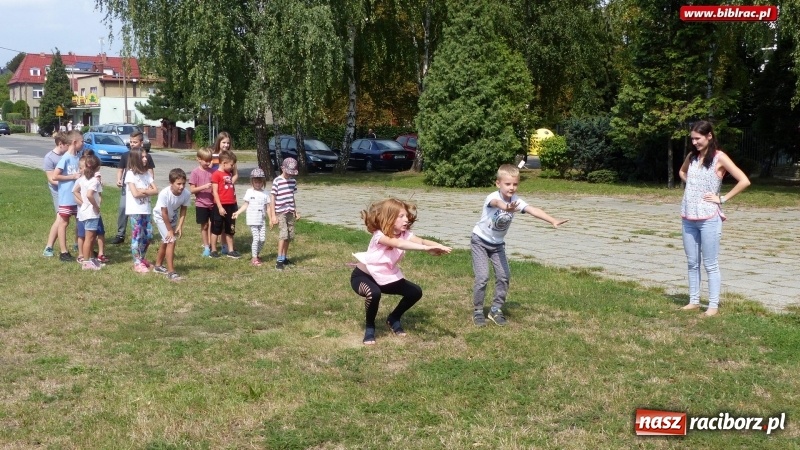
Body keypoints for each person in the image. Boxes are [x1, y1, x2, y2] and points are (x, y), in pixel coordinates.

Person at [471, 164, 568, 327]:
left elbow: (533, 210)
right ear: (498, 183)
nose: (512, 187)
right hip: (479, 241)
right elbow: (496, 203)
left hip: (497, 245)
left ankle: (495, 309)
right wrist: (506, 207)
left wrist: (553, 220)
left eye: (515, 184)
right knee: (482, 277)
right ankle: (478, 311)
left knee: (504, 276)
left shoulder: (516, 201)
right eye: (508, 184)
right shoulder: (492, 197)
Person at [350, 198, 452, 345]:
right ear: (389, 218)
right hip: (364, 276)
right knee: (374, 293)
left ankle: (393, 318)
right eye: (401, 216)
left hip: (385, 277)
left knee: (415, 292)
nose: (406, 220)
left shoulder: (405, 234)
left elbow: (422, 241)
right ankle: (370, 327)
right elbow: (398, 244)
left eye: (406, 216)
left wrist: (438, 245)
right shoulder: (380, 235)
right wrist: (425, 249)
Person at [679, 120, 750, 317]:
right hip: (688, 216)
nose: (694, 142)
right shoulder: (692, 157)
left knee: (710, 263)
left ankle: (712, 306)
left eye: (698, 138)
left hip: (709, 217)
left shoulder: (720, 157)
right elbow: (682, 172)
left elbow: (744, 180)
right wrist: (693, 184)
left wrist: (723, 198)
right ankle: (693, 301)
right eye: (692, 139)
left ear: (709, 136)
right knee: (692, 262)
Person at [112, 131, 154, 245]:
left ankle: (146, 233)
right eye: (130, 141)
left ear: (141, 142)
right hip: (128, 188)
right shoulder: (126, 155)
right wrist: (119, 179)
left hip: (141, 188)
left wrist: (150, 185)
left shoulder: (146, 156)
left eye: (134, 142)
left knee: (143, 209)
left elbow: (150, 171)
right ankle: (120, 234)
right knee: (122, 209)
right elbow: (120, 169)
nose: (132, 144)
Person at [152, 168, 191, 281]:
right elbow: (163, 213)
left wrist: (180, 225)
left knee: (166, 241)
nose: (182, 187)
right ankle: (171, 272)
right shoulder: (164, 193)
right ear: (171, 183)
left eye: (183, 184)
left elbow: (183, 210)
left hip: (172, 217)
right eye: (178, 184)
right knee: (171, 241)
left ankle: (158, 266)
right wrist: (169, 229)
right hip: (160, 217)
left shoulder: (186, 194)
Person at [125, 146, 159, 273]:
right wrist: (147, 191)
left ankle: (142, 258)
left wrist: (144, 190)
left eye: (146, 156)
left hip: (146, 209)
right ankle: (137, 262)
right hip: (135, 211)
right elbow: (135, 194)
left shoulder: (147, 174)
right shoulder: (130, 174)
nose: (145, 159)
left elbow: (156, 190)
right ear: (136, 159)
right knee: (137, 236)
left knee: (149, 235)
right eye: (143, 157)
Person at [52, 130, 84, 262]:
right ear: (75, 142)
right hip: (66, 197)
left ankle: (81, 247)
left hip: (78, 197)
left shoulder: (78, 157)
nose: (83, 143)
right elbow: (55, 175)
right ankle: (64, 251)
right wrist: (72, 176)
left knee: (80, 221)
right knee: (64, 222)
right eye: (82, 141)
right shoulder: (65, 158)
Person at [72, 151, 109, 266]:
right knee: (89, 237)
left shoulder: (83, 179)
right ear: (97, 168)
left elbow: (75, 190)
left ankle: (89, 260)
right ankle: (87, 262)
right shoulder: (94, 181)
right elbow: (89, 194)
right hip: (91, 213)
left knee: (89, 237)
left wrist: (84, 203)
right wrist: (95, 206)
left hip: (84, 212)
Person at [232, 168, 271, 266]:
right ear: (252, 182)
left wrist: (271, 219)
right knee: (256, 238)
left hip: (261, 220)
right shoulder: (249, 192)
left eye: (259, 182)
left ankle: (256, 254)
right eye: (255, 182)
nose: (258, 184)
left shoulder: (265, 193)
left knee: (262, 239)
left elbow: (268, 208)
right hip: (252, 220)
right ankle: (254, 258)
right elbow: (245, 205)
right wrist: (237, 212)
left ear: (263, 182)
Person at [269, 157, 300, 270]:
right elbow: (272, 198)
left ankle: (284, 257)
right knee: (283, 234)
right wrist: (273, 215)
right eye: (287, 172)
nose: (289, 175)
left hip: (290, 211)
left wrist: (296, 211)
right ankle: (279, 260)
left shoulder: (293, 181)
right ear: (283, 168)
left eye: (291, 173)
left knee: (289, 236)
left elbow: (292, 197)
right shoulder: (277, 181)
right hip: (280, 212)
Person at [210, 151, 241, 258]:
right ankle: (213, 249)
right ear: (223, 163)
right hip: (220, 206)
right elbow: (215, 192)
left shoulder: (229, 174)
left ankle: (230, 250)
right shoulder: (216, 174)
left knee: (230, 228)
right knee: (216, 228)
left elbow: (231, 184)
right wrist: (219, 207)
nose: (232, 167)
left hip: (231, 205)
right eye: (231, 165)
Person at [42, 132, 68, 257]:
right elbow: (52, 179)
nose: (69, 147)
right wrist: (70, 181)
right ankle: (49, 247)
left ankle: (77, 243)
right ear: (60, 144)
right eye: (67, 145)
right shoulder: (50, 158)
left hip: (69, 190)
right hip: (58, 192)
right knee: (60, 218)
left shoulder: (67, 155)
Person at [188, 147, 215, 257]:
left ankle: (213, 247)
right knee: (204, 226)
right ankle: (206, 247)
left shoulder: (213, 172)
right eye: (206, 161)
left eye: (210, 160)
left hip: (213, 203)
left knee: (214, 225)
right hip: (201, 203)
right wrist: (204, 186)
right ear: (199, 159)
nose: (208, 163)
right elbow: (192, 190)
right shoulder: (195, 172)